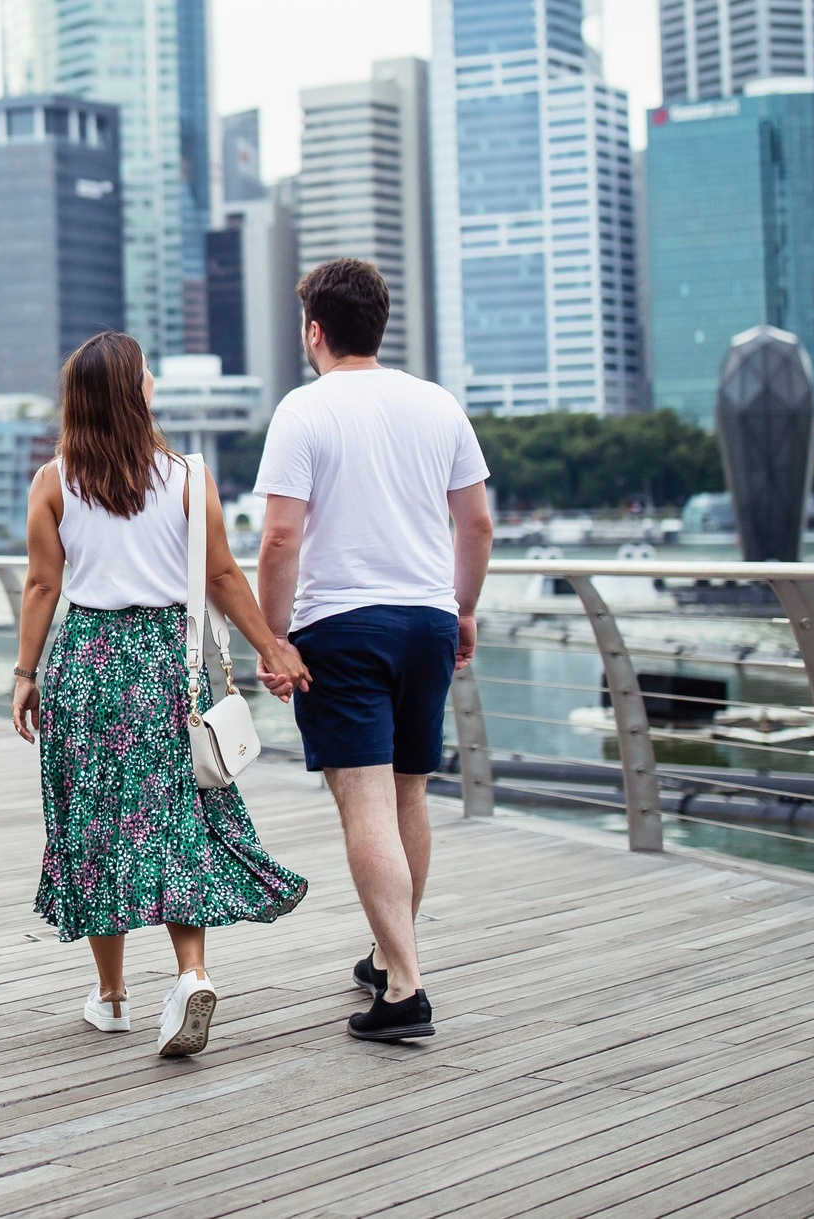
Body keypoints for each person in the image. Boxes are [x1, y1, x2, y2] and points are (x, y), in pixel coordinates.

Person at [12, 331, 310, 1059]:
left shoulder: (54, 481)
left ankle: (113, 998)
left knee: (90, 824)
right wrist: (273, 646)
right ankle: (190, 971)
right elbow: (221, 576)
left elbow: (44, 585)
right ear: (132, 391)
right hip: (159, 667)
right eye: (144, 374)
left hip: (85, 663)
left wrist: (25, 674)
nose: (151, 382)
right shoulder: (186, 475)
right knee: (175, 817)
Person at [254, 258, 494, 1043]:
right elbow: (478, 523)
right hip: (426, 618)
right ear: (378, 325)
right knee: (409, 795)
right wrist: (462, 610)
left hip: (343, 626)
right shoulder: (437, 403)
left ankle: (405, 986)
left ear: (314, 330)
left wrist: (273, 635)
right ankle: (392, 952)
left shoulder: (303, 410)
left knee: (364, 801)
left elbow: (282, 535)